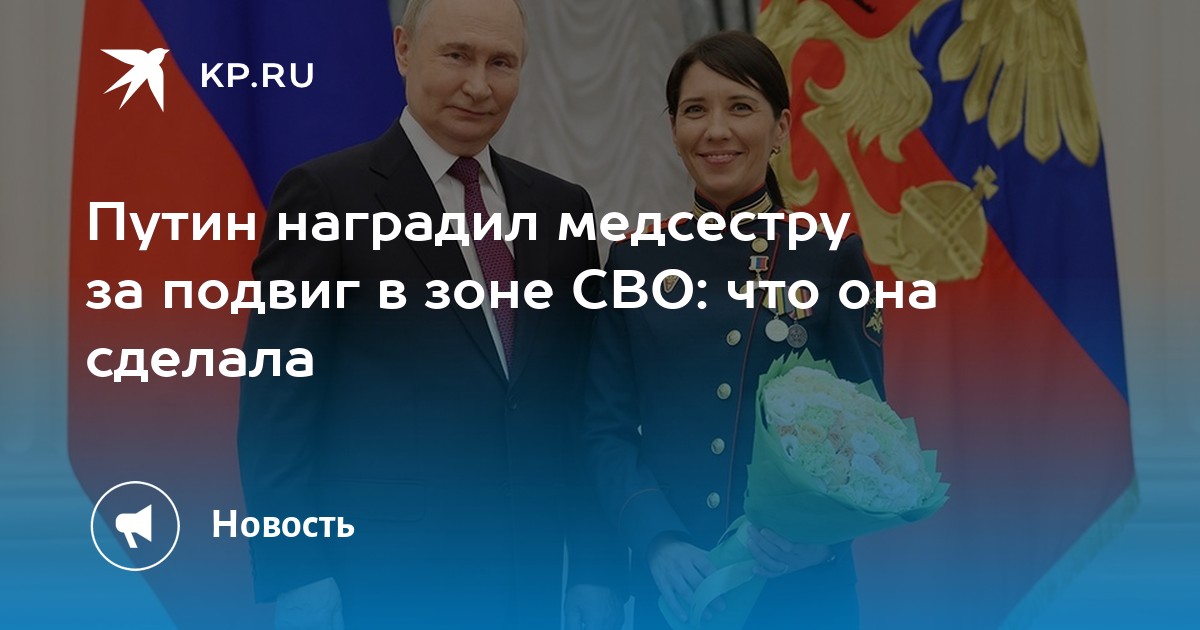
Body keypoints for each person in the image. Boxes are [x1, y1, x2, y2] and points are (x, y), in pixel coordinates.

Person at [238, 0, 626, 627]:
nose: (478, 85)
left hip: (531, 580)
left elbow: (584, 405)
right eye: (457, 56)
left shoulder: (563, 209)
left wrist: (595, 567)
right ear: (403, 50)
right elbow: (277, 402)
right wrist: (297, 571)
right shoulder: (325, 196)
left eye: (501, 62)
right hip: (380, 579)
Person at [583, 30, 884, 629]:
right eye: (695, 110)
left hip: (801, 592)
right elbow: (605, 428)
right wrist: (658, 540)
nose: (716, 130)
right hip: (676, 591)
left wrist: (822, 540)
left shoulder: (830, 256)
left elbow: (869, 429)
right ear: (674, 129)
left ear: (781, 128)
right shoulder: (636, 262)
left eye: (740, 107)